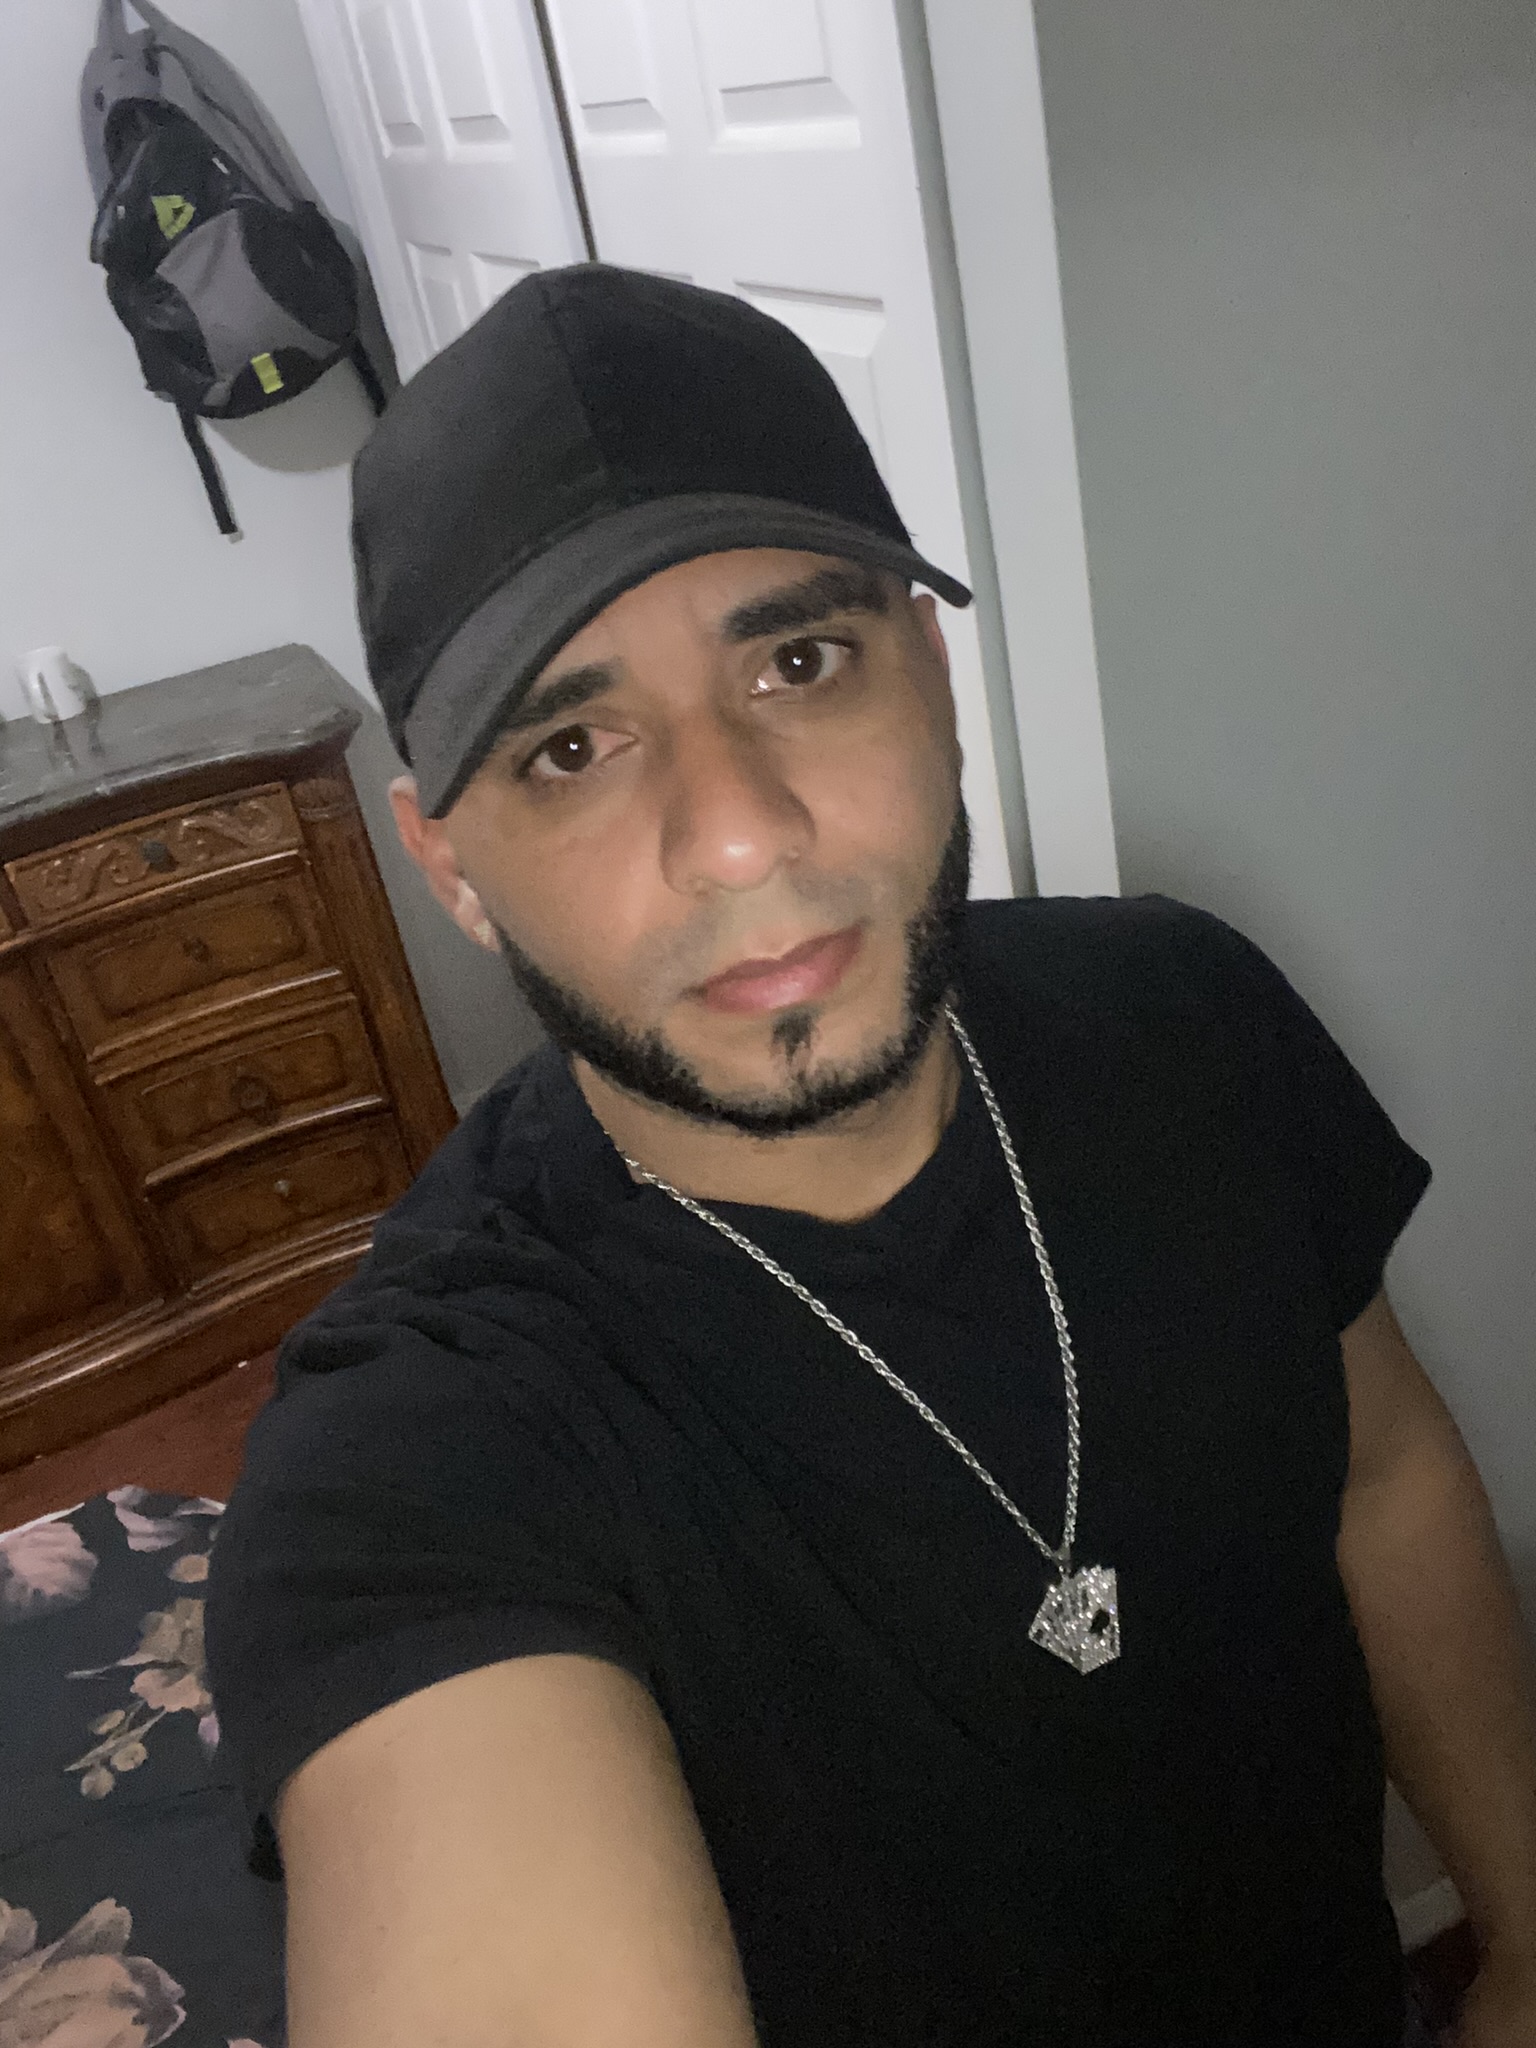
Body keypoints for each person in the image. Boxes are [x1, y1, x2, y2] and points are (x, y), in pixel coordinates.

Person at [205, 265, 1536, 2048]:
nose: (738, 835)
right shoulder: (416, 1464)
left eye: (800, 661)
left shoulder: (1189, 1015)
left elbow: (1387, 1480)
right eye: (572, 746)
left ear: (933, 673)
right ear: (448, 863)